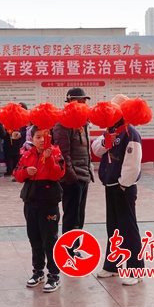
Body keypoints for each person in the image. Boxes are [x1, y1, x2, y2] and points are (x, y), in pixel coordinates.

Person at [91, 94, 145, 286]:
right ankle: (112, 265)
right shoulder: (111, 130)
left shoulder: (131, 133)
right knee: (113, 227)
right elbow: (96, 150)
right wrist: (105, 141)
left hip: (123, 187)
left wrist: (123, 183)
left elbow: (133, 164)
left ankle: (135, 269)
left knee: (128, 228)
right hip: (110, 185)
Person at [13, 126, 65, 293]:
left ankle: (54, 275)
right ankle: (38, 272)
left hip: (49, 202)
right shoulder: (27, 154)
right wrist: (26, 172)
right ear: (32, 139)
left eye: (45, 136)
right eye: (38, 137)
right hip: (31, 201)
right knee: (34, 238)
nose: (42, 140)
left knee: (50, 240)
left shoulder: (55, 153)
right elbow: (16, 173)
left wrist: (48, 159)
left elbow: (58, 174)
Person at [52, 87, 94, 233]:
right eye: (81, 102)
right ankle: (68, 246)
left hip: (84, 175)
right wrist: (71, 177)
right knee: (71, 217)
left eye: (85, 102)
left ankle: (75, 244)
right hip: (73, 177)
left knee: (79, 217)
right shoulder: (63, 123)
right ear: (71, 103)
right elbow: (62, 153)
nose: (85, 105)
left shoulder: (83, 122)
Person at [3, 102, 29, 177]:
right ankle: (14, 171)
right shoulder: (13, 118)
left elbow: (28, 131)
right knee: (15, 157)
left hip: (21, 143)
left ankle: (15, 171)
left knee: (16, 157)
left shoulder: (26, 119)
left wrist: (20, 134)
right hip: (14, 142)